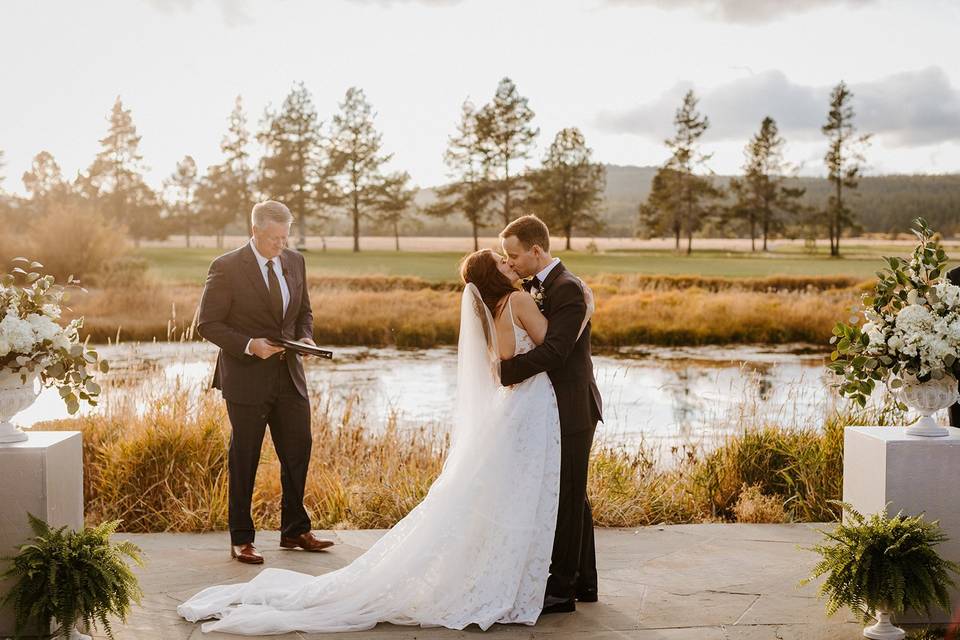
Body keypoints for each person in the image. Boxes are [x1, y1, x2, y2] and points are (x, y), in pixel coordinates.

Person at [177, 247, 594, 634]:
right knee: (535, 493)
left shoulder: (495, 308)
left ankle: (540, 575)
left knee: (519, 494)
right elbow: (549, 343)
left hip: (515, 406)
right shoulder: (519, 301)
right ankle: (529, 577)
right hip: (530, 406)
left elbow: (504, 361)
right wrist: (586, 309)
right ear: (495, 276)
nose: (511, 265)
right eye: (504, 263)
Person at [195, 200, 334, 566]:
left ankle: (294, 530)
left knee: (298, 449)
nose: (281, 245)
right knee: (245, 457)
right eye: (274, 238)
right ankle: (241, 538)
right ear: (255, 231)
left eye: (286, 237)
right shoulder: (225, 267)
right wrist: (249, 346)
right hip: (245, 379)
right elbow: (207, 323)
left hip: (290, 376)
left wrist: (305, 338)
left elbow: (304, 311)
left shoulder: (296, 261)